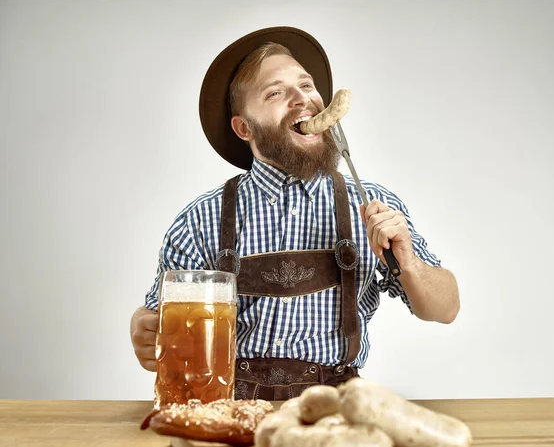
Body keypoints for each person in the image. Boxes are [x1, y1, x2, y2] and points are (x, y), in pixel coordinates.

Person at [130, 26, 460, 400]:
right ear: (244, 128)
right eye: (275, 92)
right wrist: (140, 330)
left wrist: (409, 262)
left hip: (334, 412)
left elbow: (445, 308)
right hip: (226, 408)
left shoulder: (372, 206)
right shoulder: (200, 219)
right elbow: (154, 317)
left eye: (306, 85)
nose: (302, 98)